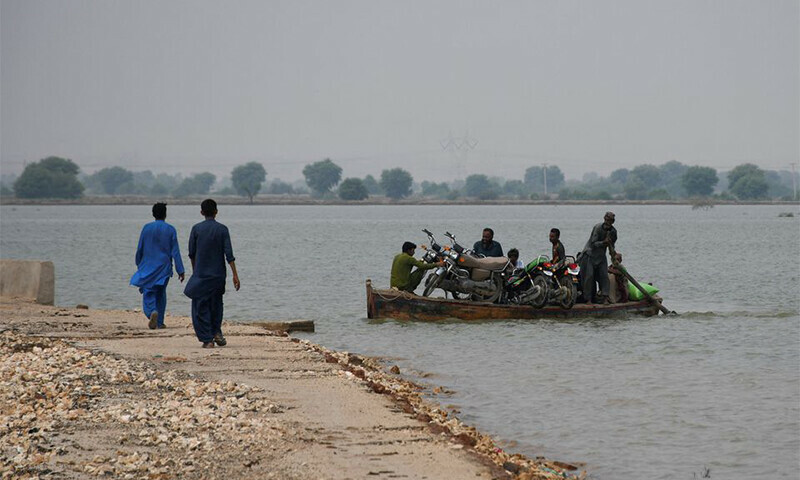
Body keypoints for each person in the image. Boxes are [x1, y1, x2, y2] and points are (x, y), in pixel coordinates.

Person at [183, 199, 240, 349]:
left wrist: (195, 272)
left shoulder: (196, 229)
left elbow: (191, 253)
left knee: (200, 306)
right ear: (216, 212)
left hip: (201, 275)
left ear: (202, 212)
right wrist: (235, 275)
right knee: (216, 305)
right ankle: (216, 332)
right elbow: (229, 255)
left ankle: (208, 339)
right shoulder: (223, 229)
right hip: (218, 275)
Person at [130, 203, 185, 330]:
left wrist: (139, 264)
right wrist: (180, 270)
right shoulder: (170, 229)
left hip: (148, 266)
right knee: (161, 293)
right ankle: (159, 322)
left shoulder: (146, 228)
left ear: (153, 214)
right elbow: (175, 252)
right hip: (163, 267)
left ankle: (151, 312)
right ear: (165, 214)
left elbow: (140, 249)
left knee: (148, 292)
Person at [578, 211, 617, 304]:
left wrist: (614, 255)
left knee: (604, 276)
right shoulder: (598, 228)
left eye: (610, 220)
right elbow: (593, 243)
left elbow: (612, 245)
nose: (608, 222)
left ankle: (605, 297)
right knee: (589, 276)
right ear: (604, 219)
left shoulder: (613, 231)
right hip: (590, 255)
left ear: (612, 222)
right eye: (607, 220)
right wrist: (603, 242)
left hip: (601, 256)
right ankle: (588, 299)